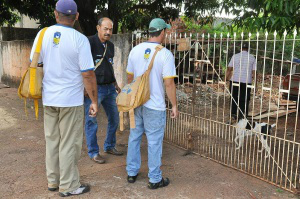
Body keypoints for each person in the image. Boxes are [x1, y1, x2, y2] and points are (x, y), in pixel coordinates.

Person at [29, 0, 98, 197]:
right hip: (71, 100)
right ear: (76, 16)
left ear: (55, 14)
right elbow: (87, 74)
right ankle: (68, 186)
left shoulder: (43, 34)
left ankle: (53, 181)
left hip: (49, 98)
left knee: (52, 141)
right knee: (69, 143)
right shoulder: (80, 39)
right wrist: (93, 101)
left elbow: (35, 64)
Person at [125, 18, 179, 189]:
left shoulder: (135, 50)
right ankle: (154, 179)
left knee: (134, 136)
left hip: (137, 102)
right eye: (166, 31)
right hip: (154, 105)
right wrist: (174, 105)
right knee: (154, 141)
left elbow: (129, 78)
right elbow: (169, 83)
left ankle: (132, 172)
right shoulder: (165, 54)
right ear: (162, 32)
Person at [84, 17, 123, 164]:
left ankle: (109, 145)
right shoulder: (89, 43)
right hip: (94, 89)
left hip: (110, 89)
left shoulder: (110, 46)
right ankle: (94, 152)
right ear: (98, 27)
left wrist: (116, 84)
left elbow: (109, 66)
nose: (108, 32)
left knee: (114, 118)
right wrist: (85, 87)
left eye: (110, 29)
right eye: (105, 29)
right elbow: (82, 67)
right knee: (91, 121)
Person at [226, 43, 257, 121]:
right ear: (248, 49)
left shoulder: (235, 56)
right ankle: (242, 116)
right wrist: (255, 84)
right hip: (246, 81)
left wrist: (226, 79)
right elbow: (254, 72)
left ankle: (233, 115)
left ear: (241, 48)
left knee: (234, 98)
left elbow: (229, 69)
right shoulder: (252, 58)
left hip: (235, 80)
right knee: (244, 99)